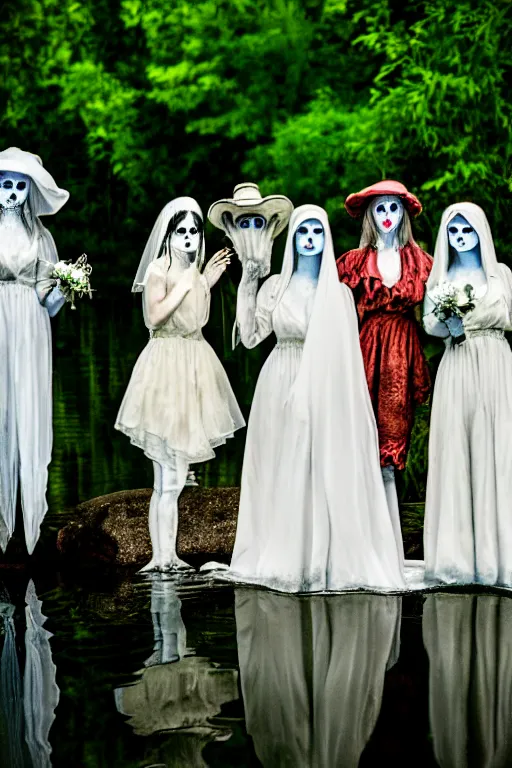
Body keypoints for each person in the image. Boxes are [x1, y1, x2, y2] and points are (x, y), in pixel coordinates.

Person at [216, 204, 405, 593]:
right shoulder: (275, 287)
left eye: (317, 233)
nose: (310, 241)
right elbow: (250, 337)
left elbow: (346, 356)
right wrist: (248, 285)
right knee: (279, 464)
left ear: (326, 240)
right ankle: (280, 545)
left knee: (317, 465)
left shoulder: (337, 293)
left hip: (321, 382)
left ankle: (319, 552)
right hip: (279, 379)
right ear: (293, 240)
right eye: (303, 233)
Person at [115, 197, 245, 572]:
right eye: (181, 232)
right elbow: (153, 318)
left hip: (194, 365)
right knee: (167, 475)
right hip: (166, 368)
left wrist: (204, 281)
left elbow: (195, 320)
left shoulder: (194, 273)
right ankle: (161, 556)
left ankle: (168, 554)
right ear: (169, 236)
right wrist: (189, 281)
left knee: (176, 474)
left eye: (194, 232)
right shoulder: (159, 270)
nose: (189, 238)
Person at [423, 202, 512, 586]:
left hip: (495, 364)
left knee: (497, 450)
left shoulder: (502, 274)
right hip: (457, 364)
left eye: (467, 231)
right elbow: (429, 324)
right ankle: (458, 558)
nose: (460, 239)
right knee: (457, 449)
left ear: (481, 233)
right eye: (453, 233)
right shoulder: (440, 277)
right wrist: (449, 325)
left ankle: (499, 556)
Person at [337, 180, 432, 524]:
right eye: (381, 208)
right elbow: (333, 314)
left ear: (404, 213)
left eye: (394, 207)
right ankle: (360, 530)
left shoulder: (421, 261)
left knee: (392, 444)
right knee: (361, 435)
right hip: (364, 350)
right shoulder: (352, 262)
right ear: (370, 215)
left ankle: (391, 537)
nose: (388, 215)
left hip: (402, 354)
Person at [0, 146, 69, 555]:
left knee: (26, 404)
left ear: (29, 191)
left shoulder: (41, 238)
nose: (10, 193)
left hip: (28, 321)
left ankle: (28, 521)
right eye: (5, 185)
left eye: (18, 186)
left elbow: (49, 300)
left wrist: (66, 288)